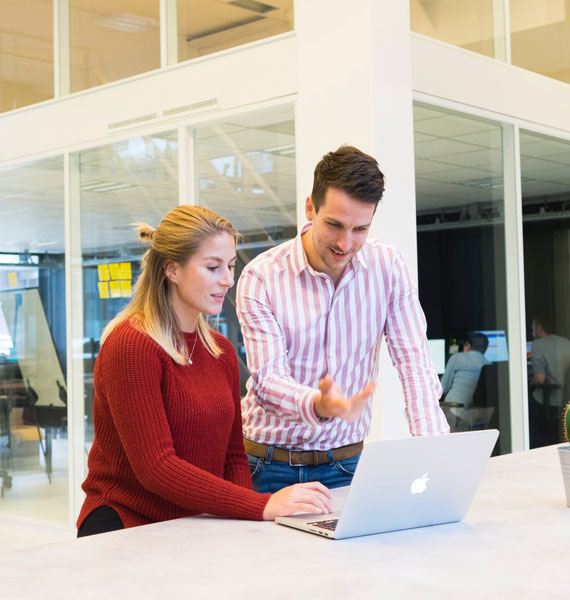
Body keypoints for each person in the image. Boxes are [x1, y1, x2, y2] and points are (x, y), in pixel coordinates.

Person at [77, 206, 332, 536]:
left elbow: (233, 458)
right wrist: (260, 505)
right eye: (213, 267)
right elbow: (157, 468)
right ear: (172, 269)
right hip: (127, 525)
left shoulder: (220, 351)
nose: (228, 280)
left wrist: (246, 524)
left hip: (194, 524)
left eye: (230, 265)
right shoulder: (131, 345)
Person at [236, 145, 449, 494]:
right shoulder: (262, 277)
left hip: (346, 463)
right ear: (310, 208)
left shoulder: (388, 267)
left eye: (360, 229)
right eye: (334, 225)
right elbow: (268, 381)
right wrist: (317, 404)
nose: (345, 243)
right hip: (267, 465)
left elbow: (414, 363)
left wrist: (435, 452)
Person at [529, 313, 570, 446]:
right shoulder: (566, 342)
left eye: (533, 327)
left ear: (539, 328)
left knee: (524, 402)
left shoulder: (537, 345)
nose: (532, 331)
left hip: (546, 402)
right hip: (564, 400)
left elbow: (540, 380)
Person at [440, 333, 490, 409]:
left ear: (468, 345)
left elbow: (443, 388)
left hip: (453, 407)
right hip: (474, 410)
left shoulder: (457, 358)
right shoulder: (487, 364)